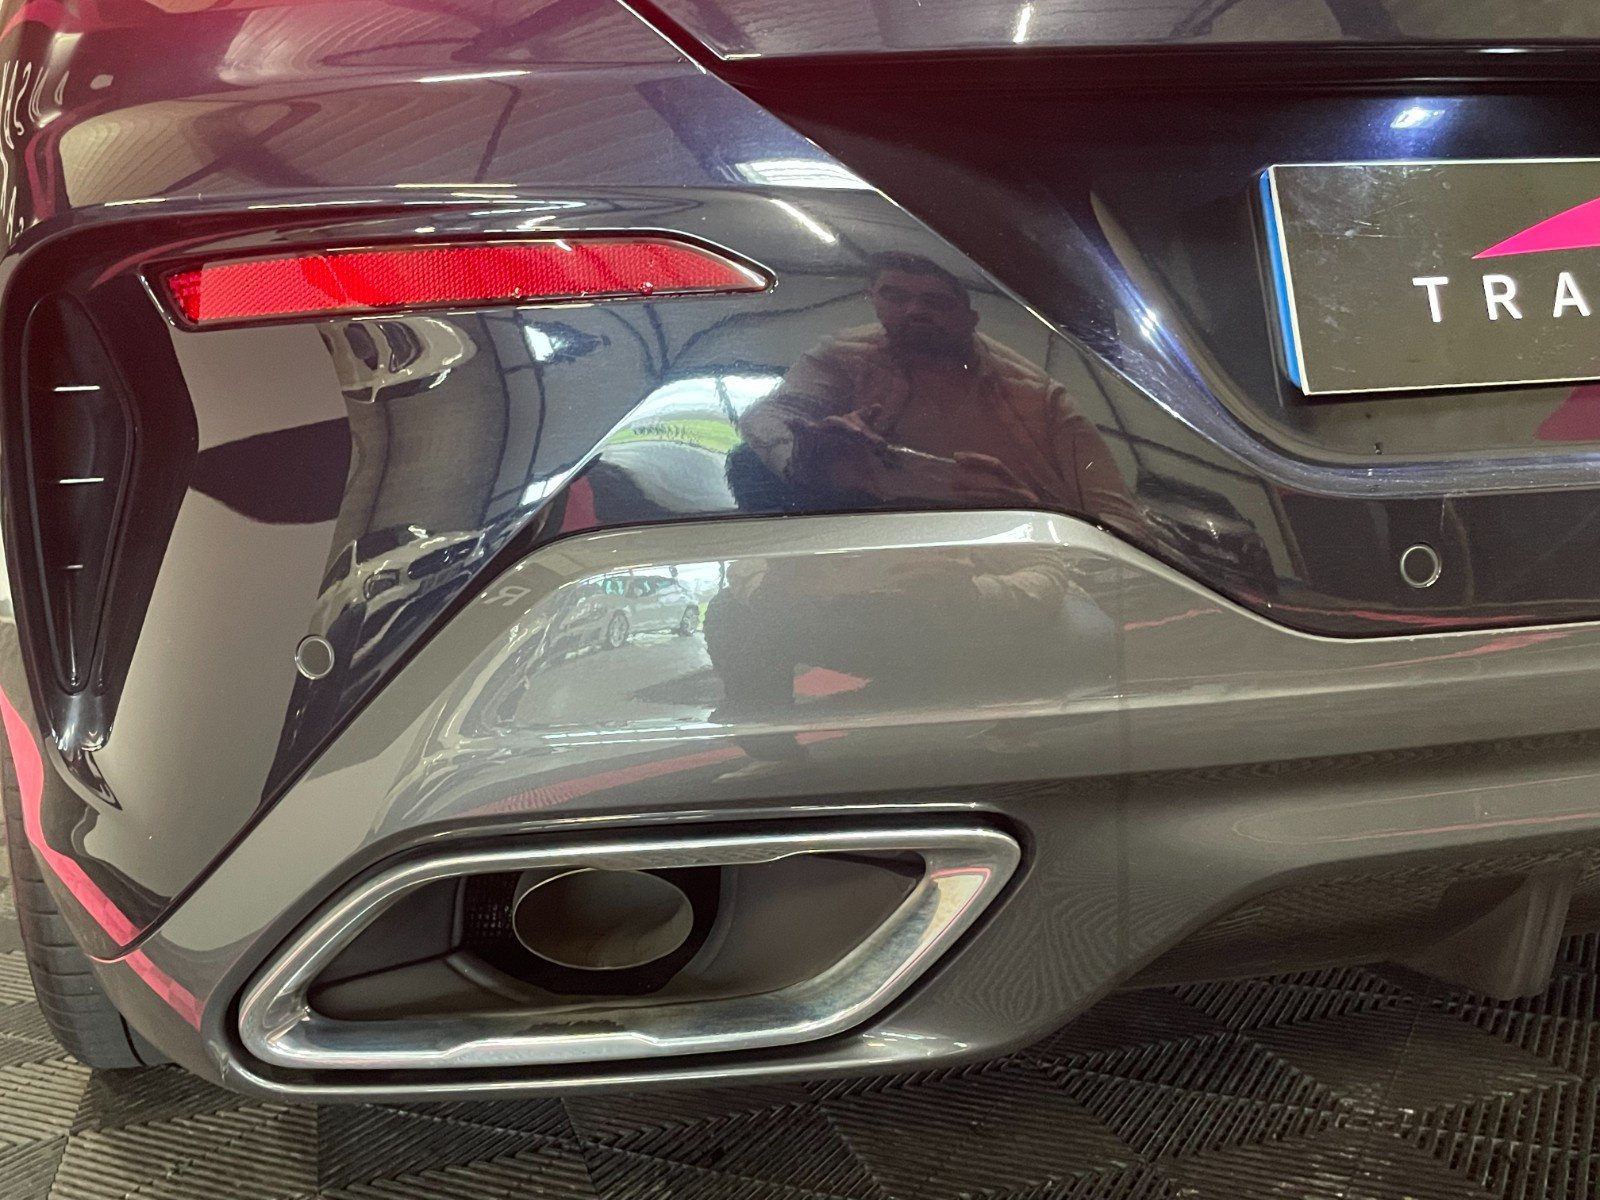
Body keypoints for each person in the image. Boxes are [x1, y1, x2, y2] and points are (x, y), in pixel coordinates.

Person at [739, 251, 1139, 531]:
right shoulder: (844, 358)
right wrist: (807, 454)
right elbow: (766, 417)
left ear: (970, 318)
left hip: (1016, 561)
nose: (914, 311)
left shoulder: (1038, 398)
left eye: (936, 301)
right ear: (873, 298)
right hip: (868, 551)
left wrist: (1032, 519)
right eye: (895, 295)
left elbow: (1118, 519)